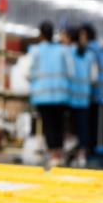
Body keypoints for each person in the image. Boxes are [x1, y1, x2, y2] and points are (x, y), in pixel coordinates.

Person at [28, 21, 69, 167]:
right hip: (60, 96)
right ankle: (60, 154)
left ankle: (53, 155)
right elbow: (70, 71)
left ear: (41, 34)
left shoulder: (35, 50)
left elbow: (28, 72)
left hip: (42, 96)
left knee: (48, 126)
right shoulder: (62, 50)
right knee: (59, 125)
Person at [80, 23, 103, 158]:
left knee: (97, 125)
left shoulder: (90, 50)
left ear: (86, 35)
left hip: (99, 92)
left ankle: (99, 154)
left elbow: (92, 75)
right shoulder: (100, 48)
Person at [64, 26, 95, 167]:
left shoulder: (67, 53)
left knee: (70, 129)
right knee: (83, 128)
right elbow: (93, 77)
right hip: (84, 97)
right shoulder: (89, 55)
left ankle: (68, 155)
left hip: (69, 97)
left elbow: (67, 73)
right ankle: (81, 156)